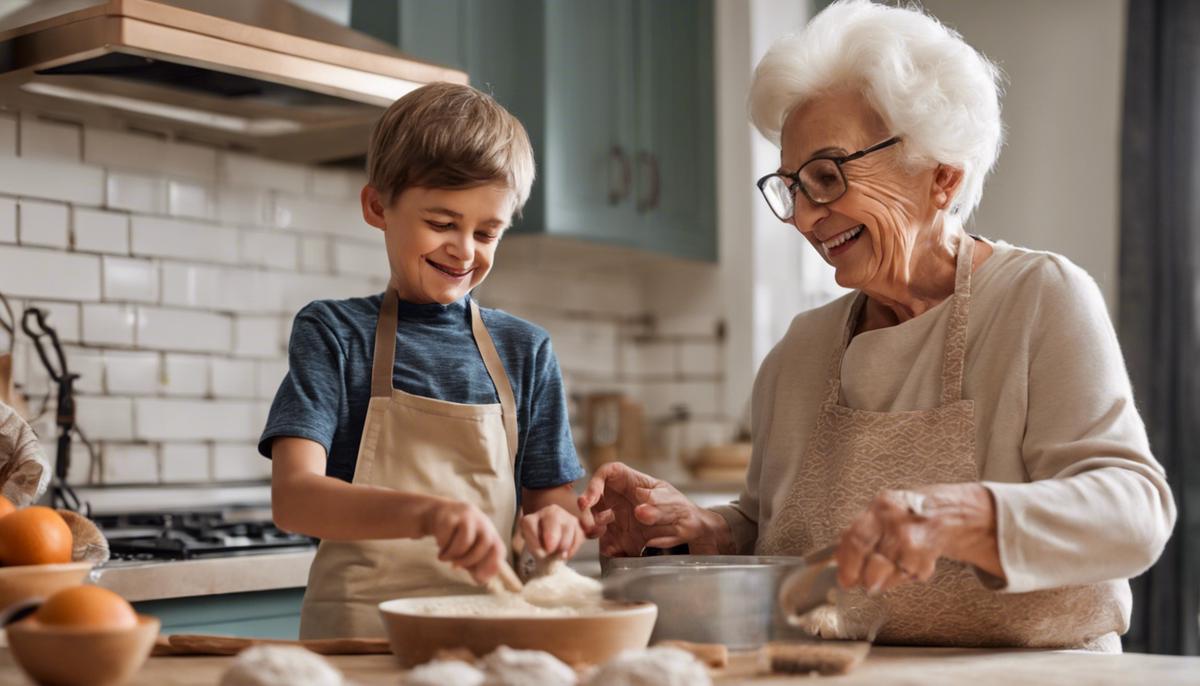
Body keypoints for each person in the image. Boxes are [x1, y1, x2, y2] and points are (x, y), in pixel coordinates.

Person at [578, 0, 1176, 652]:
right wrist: (704, 530)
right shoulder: (801, 350)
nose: (805, 217)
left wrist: (961, 514)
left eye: (828, 177)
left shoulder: (1040, 300)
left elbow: (1134, 510)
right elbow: (768, 526)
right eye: (792, 187)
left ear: (941, 176)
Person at [260, 82, 586, 639]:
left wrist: (555, 528)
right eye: (442, 223)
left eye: (488, 232)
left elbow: (546, 511)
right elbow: (294, 499)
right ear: (378, 206)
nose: (464, 249)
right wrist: (428, 516)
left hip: (490, 637)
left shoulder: (526, 351)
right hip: (358, 642)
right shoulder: (335, 334)